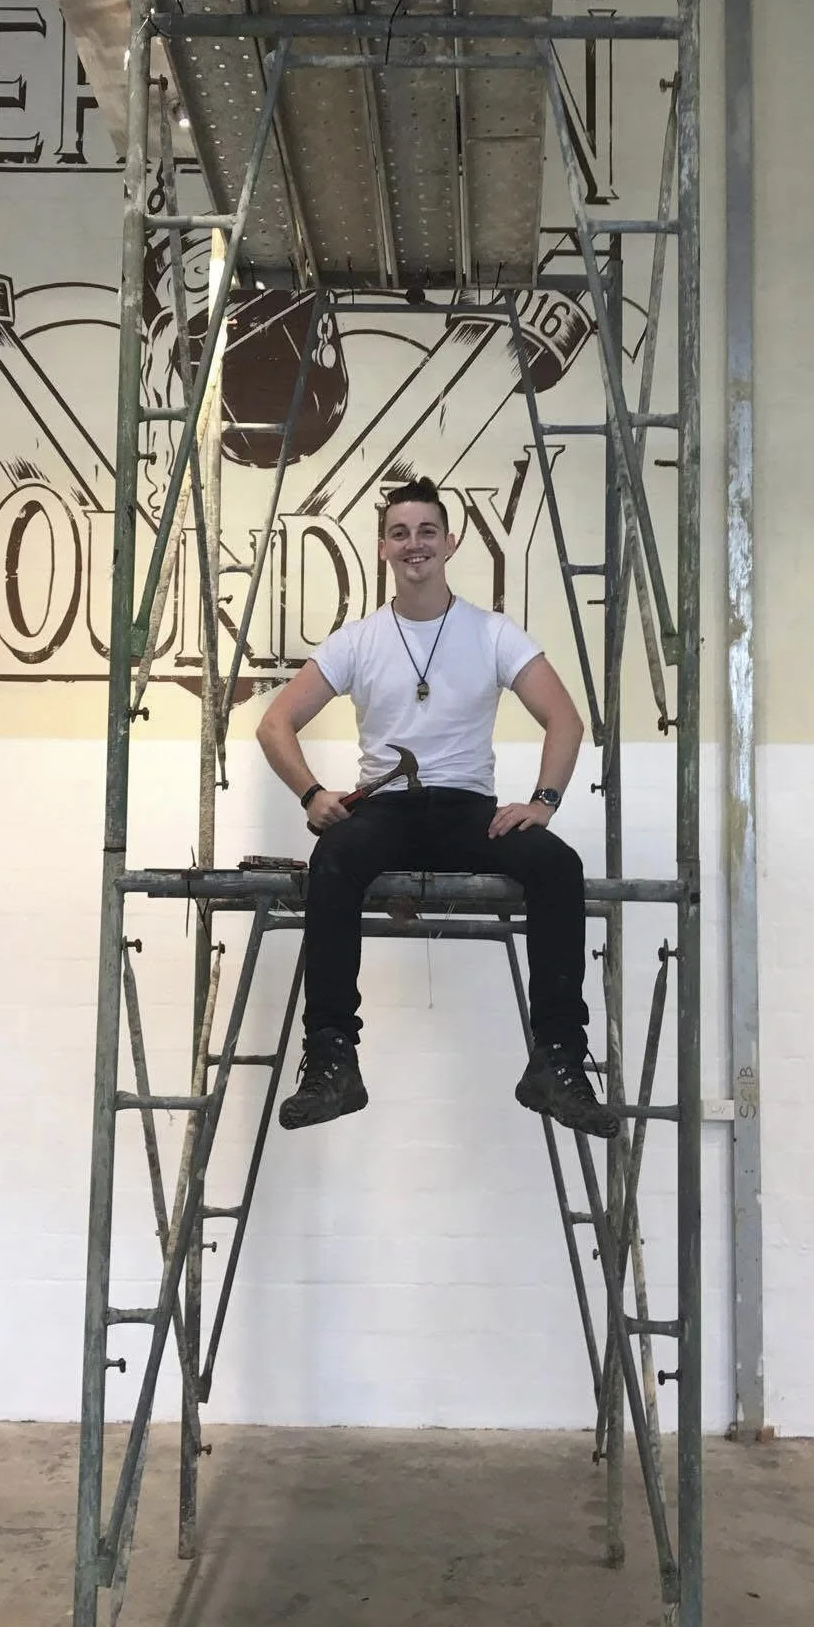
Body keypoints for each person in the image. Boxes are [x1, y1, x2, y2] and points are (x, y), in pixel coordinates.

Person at [256, 477, 620, 1138]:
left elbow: (564, 719)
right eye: (399, 533)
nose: (414, 544)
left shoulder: (492, 633)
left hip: (466, 811)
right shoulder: (358, 640)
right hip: (386, 810)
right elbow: (274, 723)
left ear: (450, 542)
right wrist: (312, 793)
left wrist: (543, 801)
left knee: (556, 864)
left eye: (426, 531)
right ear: (382, 548)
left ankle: (559, 1059)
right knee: (333, 858)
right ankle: (332, 1057)